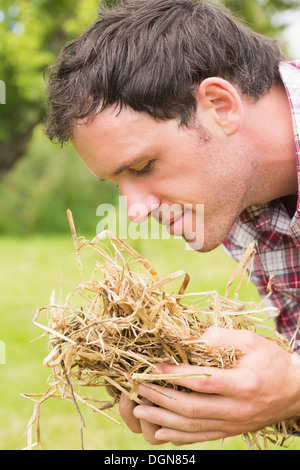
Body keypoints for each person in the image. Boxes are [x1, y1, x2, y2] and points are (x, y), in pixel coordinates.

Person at [45, 0, 300, 445]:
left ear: (220, 106)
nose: (135, 209)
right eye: (115, 182)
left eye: (142, 166)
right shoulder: (244, 197)